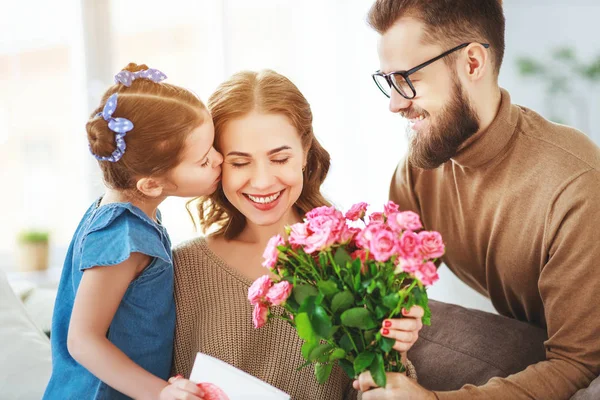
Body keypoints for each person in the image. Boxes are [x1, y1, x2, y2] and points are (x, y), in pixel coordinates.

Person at [354, 0, 600, 399]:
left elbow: (580, 365)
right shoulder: (418, 171)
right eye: (388, 80)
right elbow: (390, 292)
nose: (395, 103)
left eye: (407, 78)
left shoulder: (575, 185)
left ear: (471, 63)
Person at [172, 69, 421, 399]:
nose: (261, 181)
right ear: (216, 162)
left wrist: (395, 352)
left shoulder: (357, 265)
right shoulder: (181, 268)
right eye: (240, 162)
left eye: (279, 158)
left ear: (305, 151)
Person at [43, 63, 222, 400]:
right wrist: (160, 394)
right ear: (151, 184)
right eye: (203, 159)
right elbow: (83, 340)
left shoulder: (121, 215)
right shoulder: (123, 234)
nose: (219, 159)